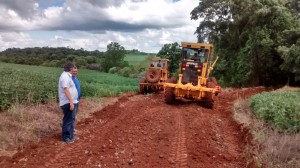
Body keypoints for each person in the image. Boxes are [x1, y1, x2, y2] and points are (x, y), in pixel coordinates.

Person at [58, 62, 78, 143]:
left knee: (70, 119)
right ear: (70, 68)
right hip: (67, 102)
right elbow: (66, 90)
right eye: (73, 68)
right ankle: (65, 138)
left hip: (70, 101)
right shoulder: (65, 77)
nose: (74, 69)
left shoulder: (68, 76)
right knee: (68, 120)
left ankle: (70, 136)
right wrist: (71, 102)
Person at [71, 66, 81, 134]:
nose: (75, 72)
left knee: (74, 115)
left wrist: (79, 97)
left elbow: (78, 88)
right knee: (72, 115)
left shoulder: (76, 78)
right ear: (71, 71)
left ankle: (72, 128)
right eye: (74, 71)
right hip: (73, 100)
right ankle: (71, 129)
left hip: (77, 100)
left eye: (76, 71)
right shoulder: (70, 79)